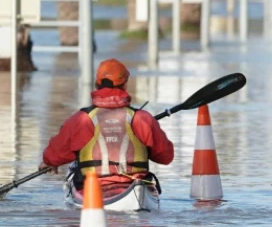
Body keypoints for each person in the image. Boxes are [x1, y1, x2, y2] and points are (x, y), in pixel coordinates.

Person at [39, 59, 175, 191]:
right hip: (135, 186)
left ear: (97, 85)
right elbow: (166, 157)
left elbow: (57, 151)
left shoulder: (81, 119)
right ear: (125, 85)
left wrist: (49, 162)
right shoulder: (143, 118)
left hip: (93, 189)